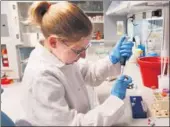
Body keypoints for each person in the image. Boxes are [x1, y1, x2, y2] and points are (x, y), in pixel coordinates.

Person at [20, 1, 134, 126]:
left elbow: (89, 73)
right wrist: (114, 101)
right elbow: (73, 124)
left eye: (85, 48)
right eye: (78, 50)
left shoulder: (59, 55)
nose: (83, 56)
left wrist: (112, 59)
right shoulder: (41, 77)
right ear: (53, 42)